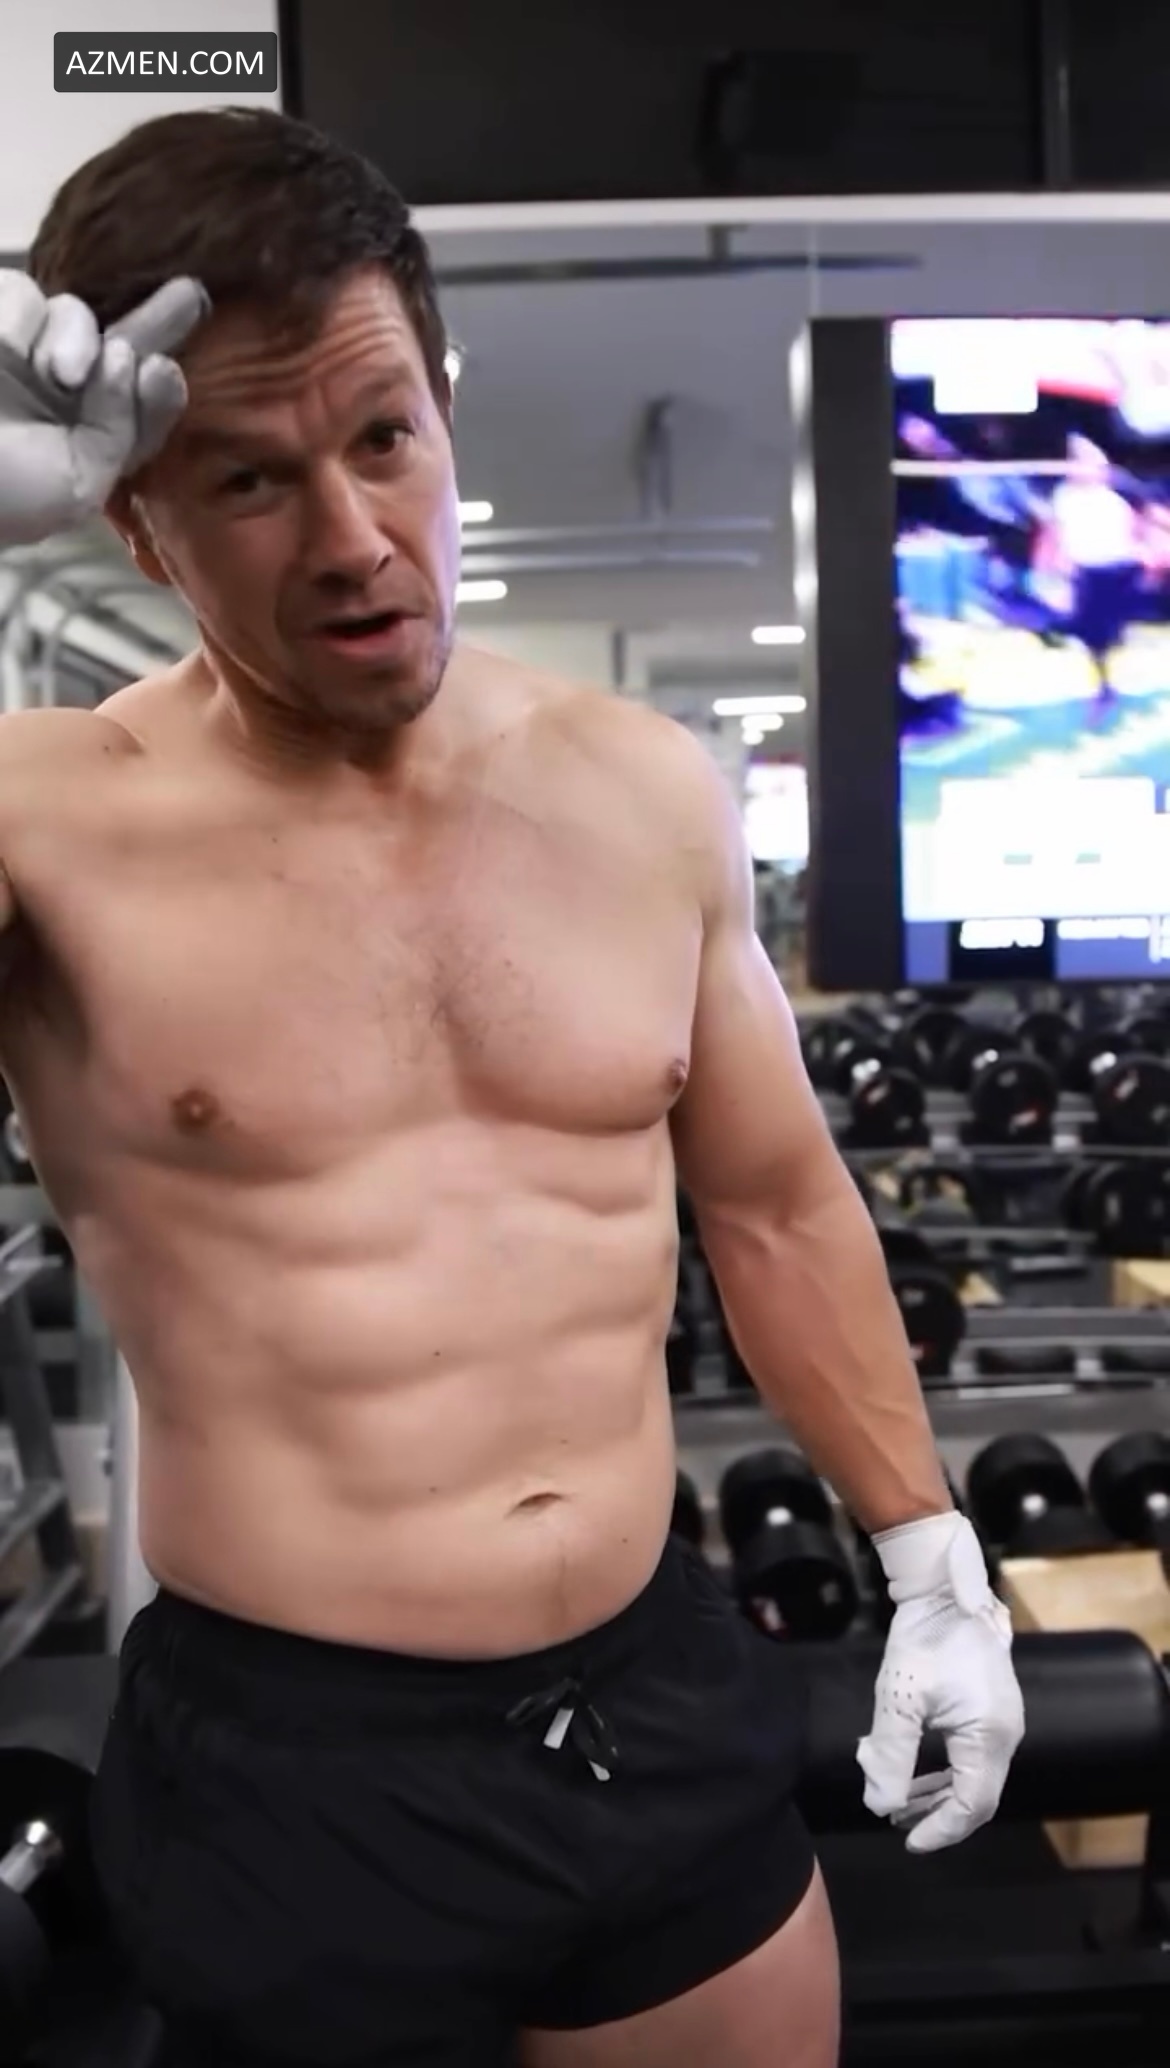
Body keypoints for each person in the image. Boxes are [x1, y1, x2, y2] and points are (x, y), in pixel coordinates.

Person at [0, 107, 1023, 2068]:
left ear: (446, 408)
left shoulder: (640, 787)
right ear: (134, 519)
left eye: (383, 437)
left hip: (653, 1679)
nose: (352, 539)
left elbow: (773, 1203)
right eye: (249, 477)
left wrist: (928, 1555)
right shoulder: (47, 824)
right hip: (297, 1750)